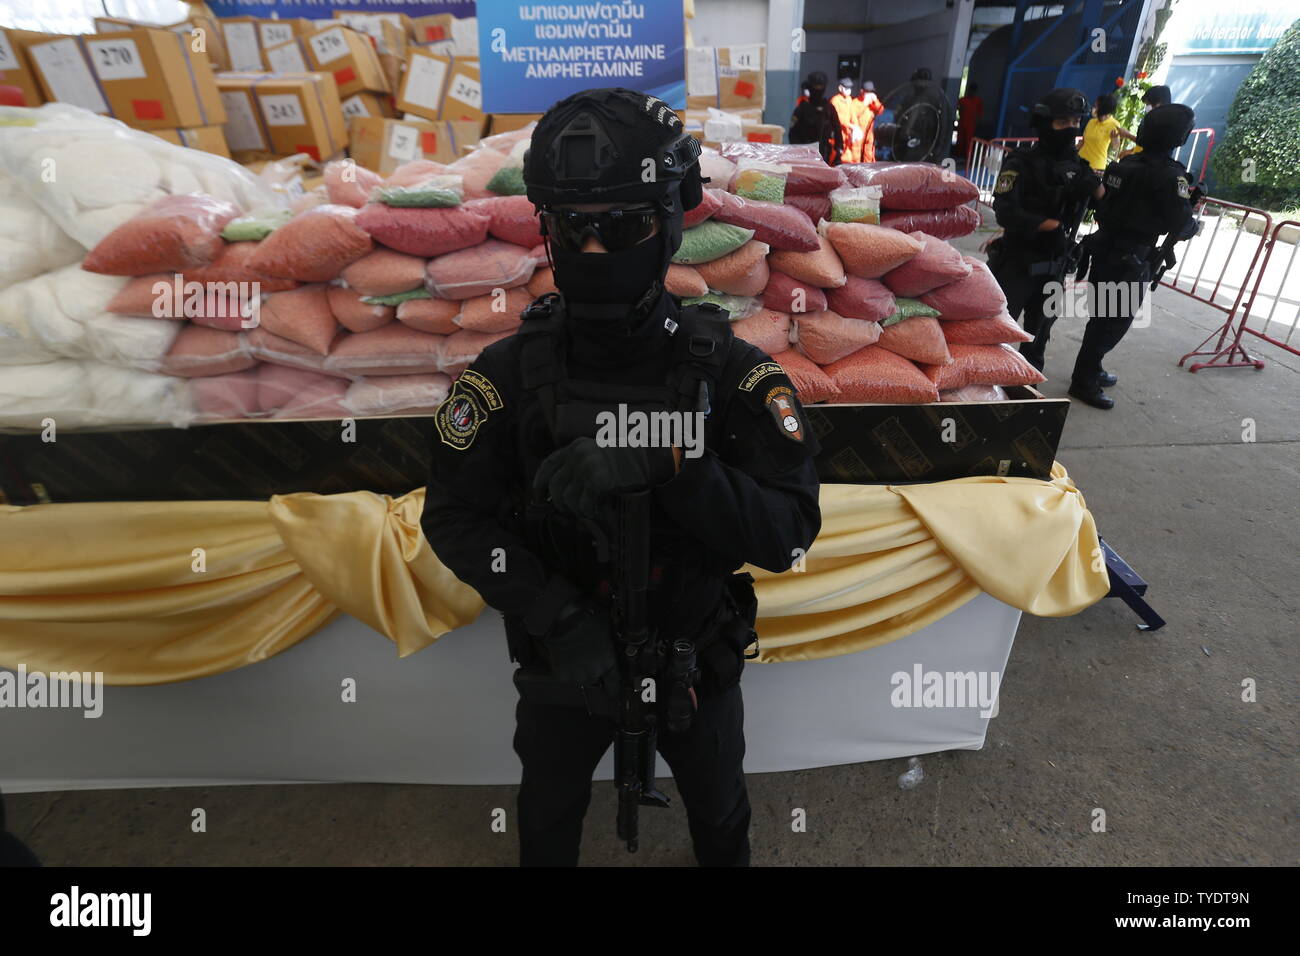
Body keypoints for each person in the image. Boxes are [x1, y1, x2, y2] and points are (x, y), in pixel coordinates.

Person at [420, 87, 823, 867]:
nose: (596, 252)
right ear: (545, 228)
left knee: (720, 817)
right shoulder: (507, 374)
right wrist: (558, 618)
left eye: (625, 226)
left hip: (692, 659)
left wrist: (673, 466)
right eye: (573, 229)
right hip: (564, 658)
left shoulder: (735, 375)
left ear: (671, 223)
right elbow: (454, 517)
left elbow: (787, 534)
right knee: (546, 820)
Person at [1069, 104, 1198, 409]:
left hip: (1105, 249)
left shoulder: (1121, 166)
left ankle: (1092, 368)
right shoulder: (1170, 176)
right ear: (1179, 137)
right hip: (1132, 256)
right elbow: (1182, 224)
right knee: (1113, 322)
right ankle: (1083, 381)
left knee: (1101, 316)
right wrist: (1192, 216)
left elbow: (1107, 205)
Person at [986, 87, 1104, 372]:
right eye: (1063, 123)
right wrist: (1047, 226)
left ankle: (1026, 389)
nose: (1070, 129)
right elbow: (1005, 210)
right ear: (1044, 124)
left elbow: (1104, 204)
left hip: (1055, 267)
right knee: (993, 334)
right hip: (1018, 263)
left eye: (1076, 123)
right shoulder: (1021, 163)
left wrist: (1098, 190)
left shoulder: (1078, 166)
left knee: (1038, 339)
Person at [789, 71, 844, 165]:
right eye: (816, 87)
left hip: (824, 155)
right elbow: (792, 132)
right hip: (805, 156)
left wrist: (838, 152)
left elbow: (838, 130)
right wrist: (799, 151)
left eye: (820, 87)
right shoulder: (802, 108)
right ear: (810, 88)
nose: (818, 91)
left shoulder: (829, 108)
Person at [1078, 93, 1136, 173]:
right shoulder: (1091, 121)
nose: (1093, 108)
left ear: (1103, 109)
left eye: (1096, 106)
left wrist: (1115, 138)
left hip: (1096, 167)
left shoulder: (1114, 124)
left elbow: (1115, 147)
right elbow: (1083, 141)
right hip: (1080, 161)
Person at [1118, 85, 1171, 159]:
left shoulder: (1164, 123)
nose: (1147, 108)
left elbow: (1149, 145)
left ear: (1158, 103)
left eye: (1148, 104)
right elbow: (1144, 144)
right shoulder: (1153, 119)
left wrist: (1128, 136)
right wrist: (1131, 150)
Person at [829, 76, 862, 163]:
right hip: (837, 133)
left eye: (850, 88)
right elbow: (838, 118)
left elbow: (853, 114)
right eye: (846, 88)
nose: (849, 90)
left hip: (847, 133)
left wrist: (856, 127)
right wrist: (851, 126)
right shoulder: (835, 101)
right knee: (834, 155)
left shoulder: (849, 99)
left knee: (847, 157)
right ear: (840, 88)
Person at [855, 80, 885, 162]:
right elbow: (855, 114)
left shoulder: (872, 103)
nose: (869, 94)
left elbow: (880, 110)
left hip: (869, 133)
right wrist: (865, 103)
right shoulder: (856, 102)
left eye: (871, 92)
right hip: (858, 134)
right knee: (857, 154)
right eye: (867, 92)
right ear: (862, 91)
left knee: (869, 154)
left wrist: (875, 101)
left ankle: (868, 168)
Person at [956, 81, 984, 161]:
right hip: (962, 123)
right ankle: (959, 156)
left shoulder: (978, 101)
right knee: (960, 140)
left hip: (971, 125)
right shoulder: (962, 100)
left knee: (969, 142)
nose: (971, 92)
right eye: (971, 90)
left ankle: (968, 158)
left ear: (975, 91)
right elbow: (958, 109)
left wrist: (978, 124)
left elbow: (980, 114)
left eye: (973, 91)